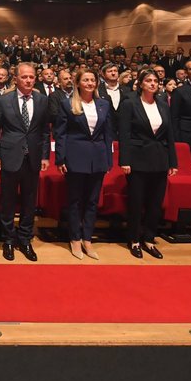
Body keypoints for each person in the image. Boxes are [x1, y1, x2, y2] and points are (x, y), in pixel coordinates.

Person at [0, 62, 50, 261]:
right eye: (24, 77)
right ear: (15, 78)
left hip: (32, 157)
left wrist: (44, 156)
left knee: (29, 201)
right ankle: (8, 239)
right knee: (8, 200)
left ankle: (25, 239)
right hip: (9, 156)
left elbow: (44, 132)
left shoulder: (42, 100)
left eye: (31, 77)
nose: (28, 80)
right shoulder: (3, 100)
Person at [53, 68, 114, 260]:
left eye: (92, 80)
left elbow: (107, 134)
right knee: (75, 201)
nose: (89, 83)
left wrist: (109, 159)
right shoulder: (67, 104)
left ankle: (88, 238)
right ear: (78, 83)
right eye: (85, 80)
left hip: (98, 158)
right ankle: (75, 239)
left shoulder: (104, 104)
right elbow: (60, 134)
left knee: (92, 201)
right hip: (75, 157)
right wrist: (60, 158)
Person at [118, 70, 177, 259]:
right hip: (137, 159)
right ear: (140, 83)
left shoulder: (163, 104)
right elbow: (124, 134)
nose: (153, 84)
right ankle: (134, 239)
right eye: (148, 80)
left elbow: (170, 135)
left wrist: (172, 161)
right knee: (136, 202)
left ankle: (149, 239)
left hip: (160, 158)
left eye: (156, 81)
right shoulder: (129, 103)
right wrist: (124, 160)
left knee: (155, 203)